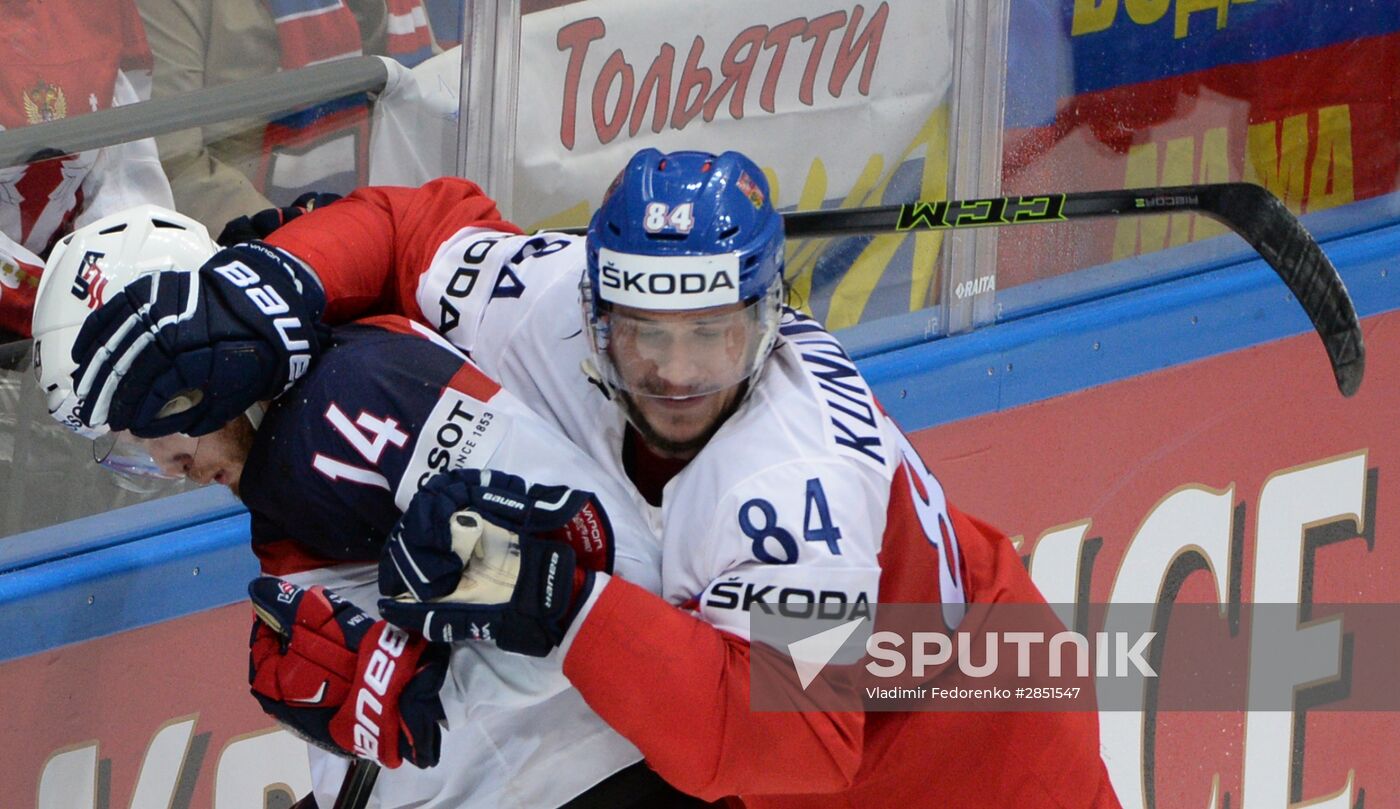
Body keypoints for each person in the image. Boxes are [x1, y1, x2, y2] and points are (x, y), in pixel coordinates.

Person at [65, 149, 1123, 807]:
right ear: (594, 308)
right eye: (644, 334)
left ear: (768, 319)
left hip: (965, 747)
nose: (676, 373)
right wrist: (286, 278)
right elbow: (410, 224)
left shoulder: (787, 478)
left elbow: (791, 733)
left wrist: (561, 601)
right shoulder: (552, 298)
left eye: (712, 335)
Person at [29, 204, 708, 808]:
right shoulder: (293, 451)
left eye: (151, 424)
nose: (163, 463)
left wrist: (419, 692)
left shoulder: (352, 402)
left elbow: (608, 571)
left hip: (580, 783)